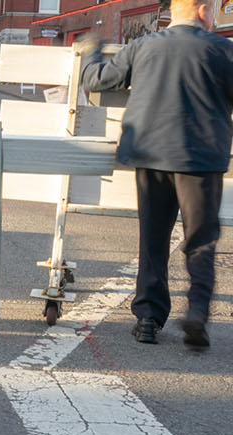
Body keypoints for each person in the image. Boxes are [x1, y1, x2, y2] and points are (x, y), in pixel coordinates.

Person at [80, 0, 231, 350]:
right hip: (201, 159)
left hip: (150, 154)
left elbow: (98, 80)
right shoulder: (222, 50)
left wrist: (92, 51)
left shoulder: (143, 46)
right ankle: (196, 313)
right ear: (202, 10)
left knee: (153, 238)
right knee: (201, 241)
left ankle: (148, 318)